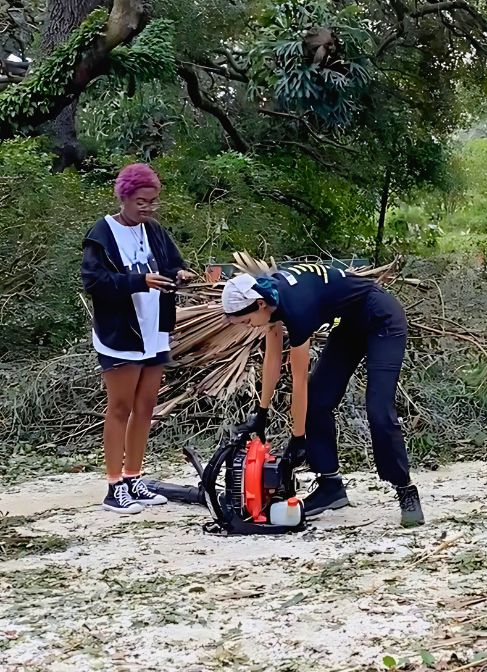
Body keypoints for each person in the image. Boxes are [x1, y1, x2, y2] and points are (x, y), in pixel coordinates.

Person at [219, 263, 425, 527]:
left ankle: (405, 489)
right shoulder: (270, 297)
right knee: (318, 401)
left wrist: (298, 438)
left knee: (378, 407)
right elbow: (272, 360)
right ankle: (331, 487)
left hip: (381, 318)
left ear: (258, 305)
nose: (249, 326)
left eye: (246, 321)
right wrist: (261, 412)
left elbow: (298, 380)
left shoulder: (297, 307)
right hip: (349, 326)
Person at [82, 163, 196, 514]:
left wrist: (181, 274)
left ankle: (134, 477)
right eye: (141, 202)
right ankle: (114, 485)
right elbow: (95, 283)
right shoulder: (102, 233)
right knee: (120, 408)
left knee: (146, 407)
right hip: (121, 332)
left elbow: (172, 263)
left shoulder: (155, 231)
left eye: (153, 202)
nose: (147, 208)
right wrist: (139, 282)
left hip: (154, 329)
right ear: (124, 197)